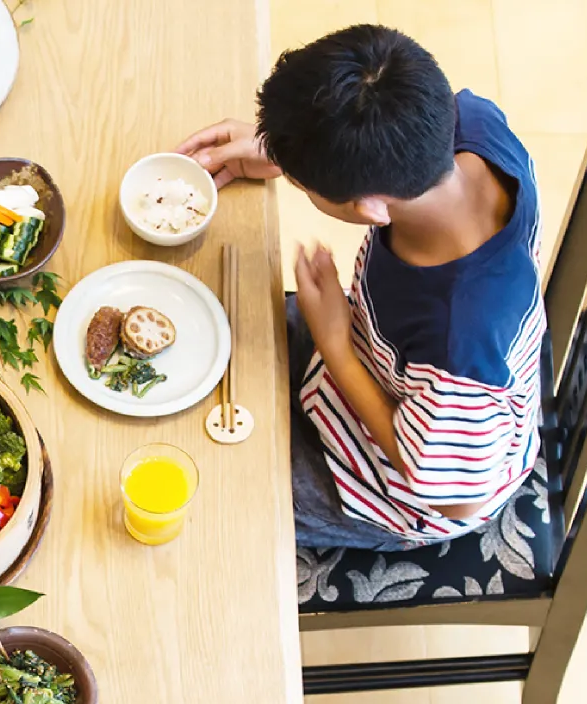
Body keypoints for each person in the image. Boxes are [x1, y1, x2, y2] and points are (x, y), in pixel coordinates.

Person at [179, 25, 544, 552]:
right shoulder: (472, 125)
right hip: (386, 362)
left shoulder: (463, 339)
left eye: (307, 188)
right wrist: (285, 150)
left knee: (217, 495)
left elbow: (454, 497)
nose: (299, 185)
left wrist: (336, 346)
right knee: (206, 328)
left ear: (371, 207)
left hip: (408, 476)